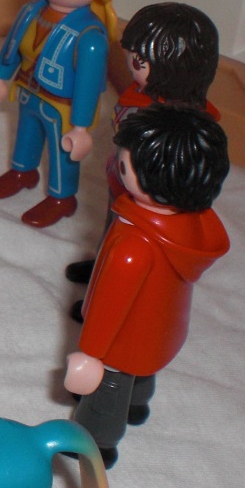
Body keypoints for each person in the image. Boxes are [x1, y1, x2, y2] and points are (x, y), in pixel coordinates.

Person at [63, 105, 229, 468]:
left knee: (108, 388)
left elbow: (109, 307)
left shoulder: (133, 245)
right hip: (163, 330)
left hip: (121, 340)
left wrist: (90, 354)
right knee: (142, 371)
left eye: (124, 164)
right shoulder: (190, 225)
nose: (116, 164)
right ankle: (137, 405)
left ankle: (96, 441)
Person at [65, 3, 220, 311]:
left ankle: (108, 296)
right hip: (122, 180)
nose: (131, 65)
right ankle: (102, 267)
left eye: (140, 61)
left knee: (130, 246)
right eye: (132, 56)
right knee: (112, 227)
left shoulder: (182, 122)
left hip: (149, 200)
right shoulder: (139, 94)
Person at [0, 0, 117, 227]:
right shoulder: (31, 12)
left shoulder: (90, 36)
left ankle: (62, 197)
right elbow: (12, 46)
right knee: (25, 135)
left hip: (61, 106)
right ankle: (22, 171)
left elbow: (88, 86)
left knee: (62, 152)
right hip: (28, 91)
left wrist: (81, 128)